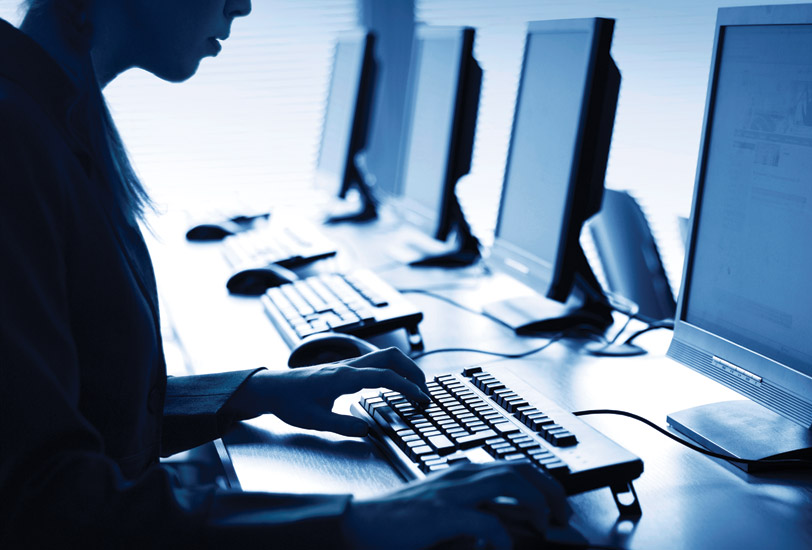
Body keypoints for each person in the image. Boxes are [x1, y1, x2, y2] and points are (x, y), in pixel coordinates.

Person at [0, 0, 571, 548]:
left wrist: (256, 391)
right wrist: (353, 522)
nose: (242, 5)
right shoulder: (14, 137)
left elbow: (56, 409)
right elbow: (43, 504)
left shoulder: (55, 115)